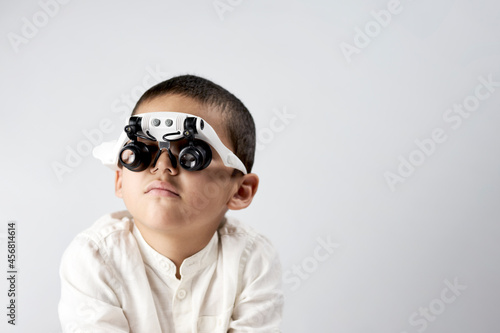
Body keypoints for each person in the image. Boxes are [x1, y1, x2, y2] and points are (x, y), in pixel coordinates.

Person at [58, 75, 283, 332]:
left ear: (240, 191)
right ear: (120, 178)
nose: (162, 166)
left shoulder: (252, 259)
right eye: (142, 150)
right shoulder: (94, 258)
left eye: (192, 155)